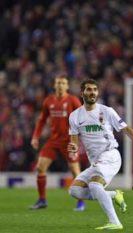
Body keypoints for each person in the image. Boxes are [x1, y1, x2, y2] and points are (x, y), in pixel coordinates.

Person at [68, 79, 133, 230]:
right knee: (74, 191)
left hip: (110, 156)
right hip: (96, 161)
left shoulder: (107, 111)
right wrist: (73, 148)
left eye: (95, 90)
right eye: (89, 90)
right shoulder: (74, 116)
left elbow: (126, 129)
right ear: (82, 93)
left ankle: (115, 222)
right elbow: (74, 141)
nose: (92, 92)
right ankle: (113, 194)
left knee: (95, 185)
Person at [30, 75, 86, 211]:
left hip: (69, 141)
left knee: (75, 171)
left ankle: (81, 202)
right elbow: (42, 120)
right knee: (40, 167)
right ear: (54, 85)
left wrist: (83, 137)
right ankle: (42, 200)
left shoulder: (73, 100)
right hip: (53, 140)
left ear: (67, 86)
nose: (60, 85)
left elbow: (83, 118)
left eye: (63, 83)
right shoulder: (48, 101)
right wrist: (35, 136)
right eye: (58, 83)